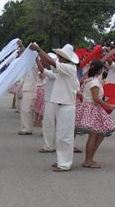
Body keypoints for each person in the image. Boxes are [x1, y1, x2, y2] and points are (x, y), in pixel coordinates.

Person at [30, 43, 79, 172]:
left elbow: (50, 62)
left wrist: (39, 49)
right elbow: (48, 66)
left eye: (60, 56)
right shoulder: (64, 69)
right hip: (62, 105)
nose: (58, 57)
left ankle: (64, 164)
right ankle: (61, 161)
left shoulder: (70, 68)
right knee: (60, 135)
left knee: (64, 136)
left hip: (67, 106)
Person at [76, 61, 115, 168]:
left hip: (89, 107)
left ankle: (89, 159)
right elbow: (96, 99)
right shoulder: (94, 82)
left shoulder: (88, 80)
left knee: (98, 134)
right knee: (94, 135)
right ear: (100, 70)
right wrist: (109, 106)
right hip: (92, 108)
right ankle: (88, 160)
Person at [19, 42, 38, 135]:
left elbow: (26, 54)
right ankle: (26, 128)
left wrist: (22, 46)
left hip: (31, 88)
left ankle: (27, 129)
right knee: (25, 110)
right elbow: (25, 54)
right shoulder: (30, 61)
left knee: (27, 110)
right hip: (27, 88)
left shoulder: (35, 62)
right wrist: (21, 46)